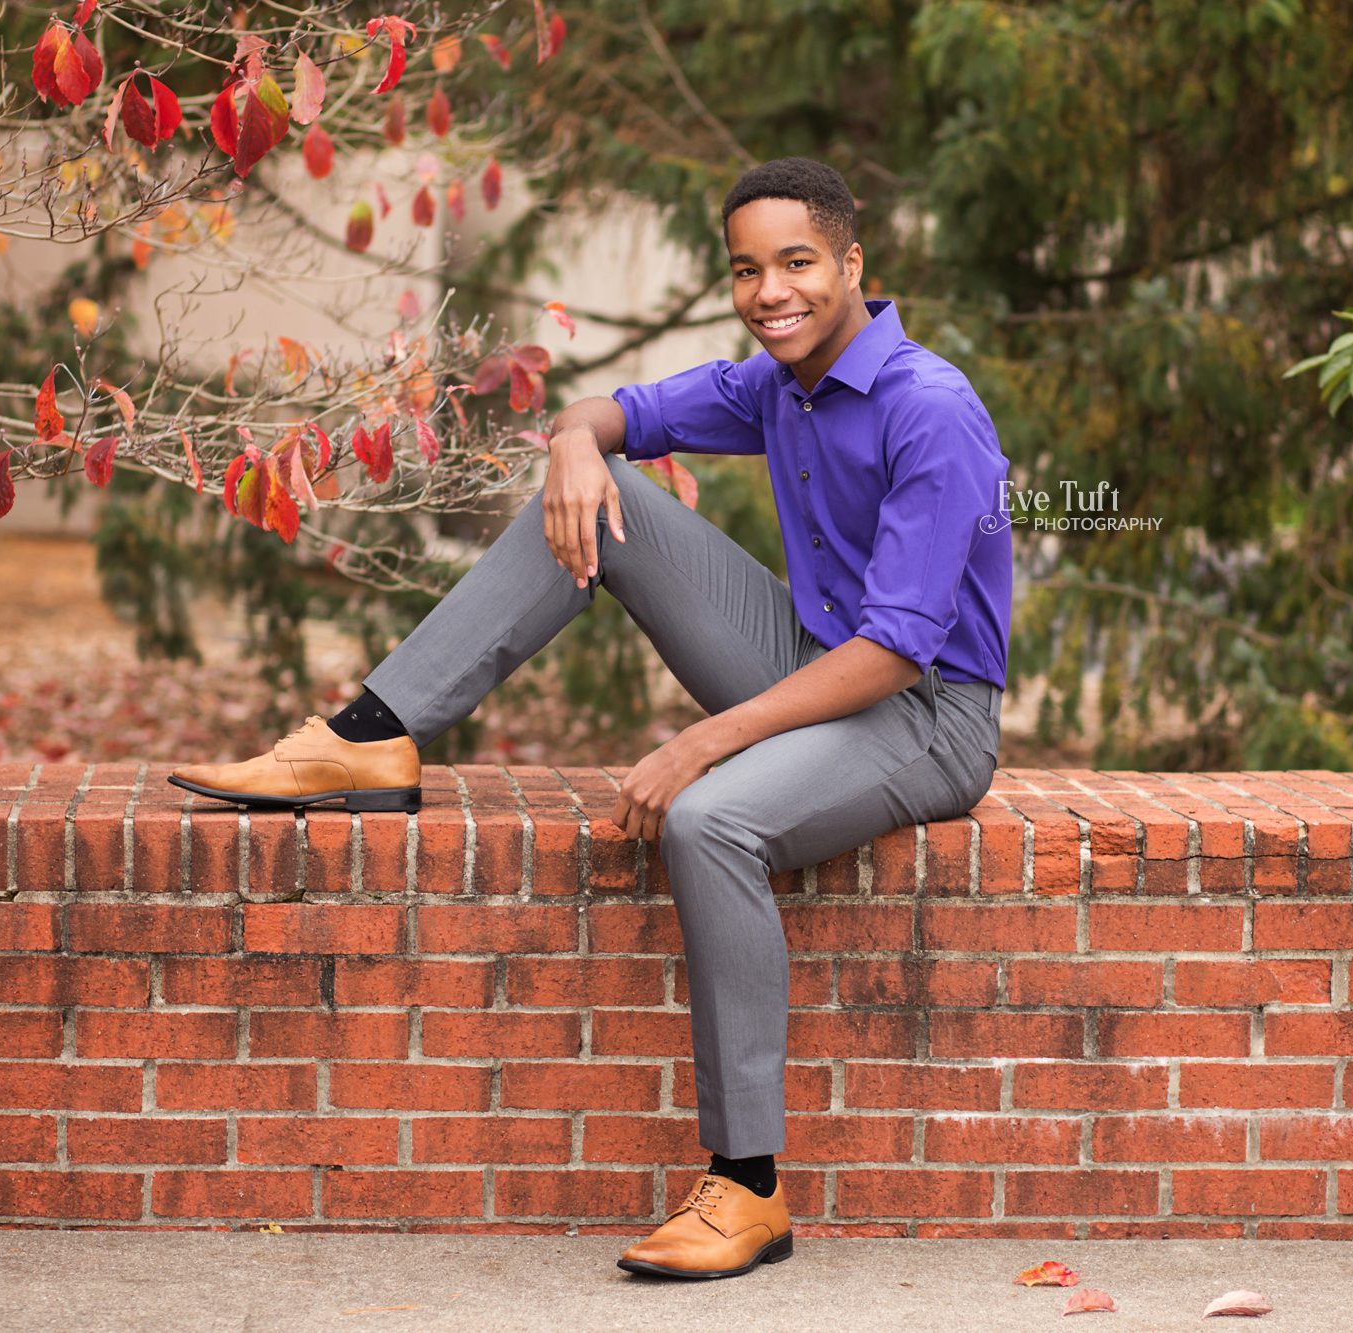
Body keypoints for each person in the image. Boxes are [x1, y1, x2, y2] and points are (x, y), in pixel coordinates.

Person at [169, 156, 1013, 1279]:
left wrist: (704, 738)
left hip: (922, 712)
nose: (770, 292)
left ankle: (747, 1188)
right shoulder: (778, 383)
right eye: (747, 269)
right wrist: (571, 446)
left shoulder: (928, 409)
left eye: (797, 264)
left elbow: (897, 650)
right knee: (599, 504)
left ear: (851, 264)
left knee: (710, 821)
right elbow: (600, 411)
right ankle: (371, 734)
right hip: (814, 665)